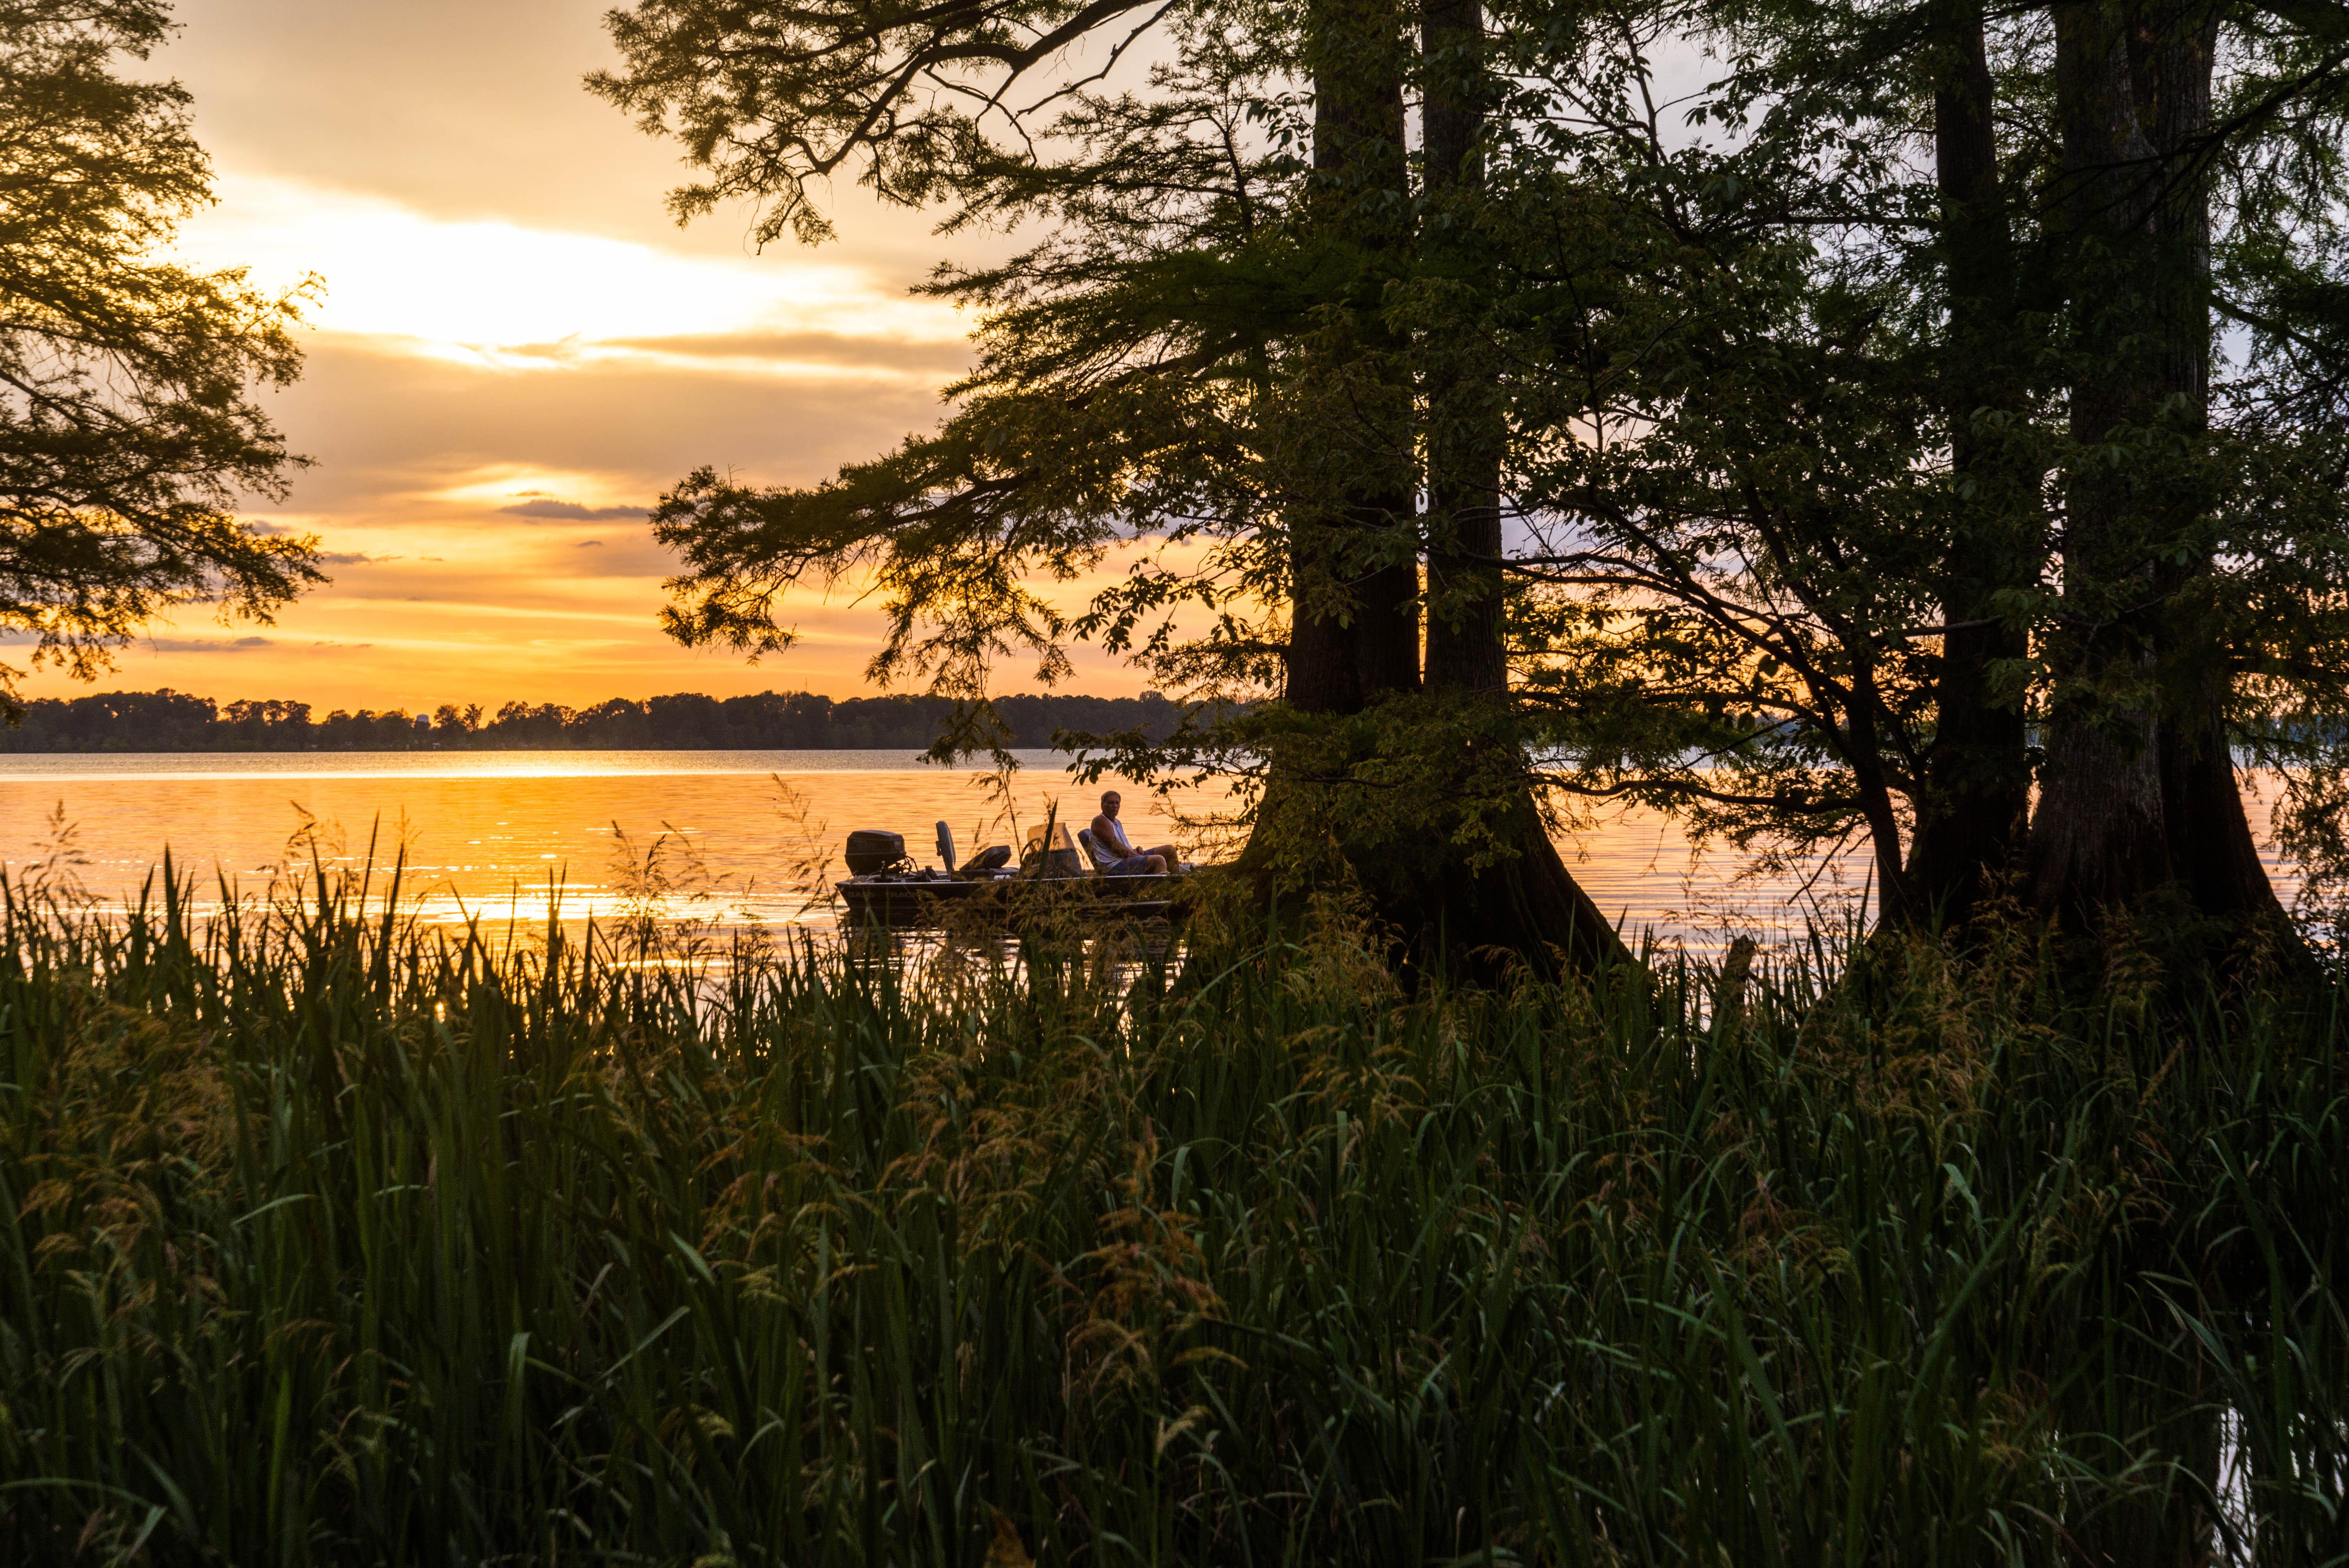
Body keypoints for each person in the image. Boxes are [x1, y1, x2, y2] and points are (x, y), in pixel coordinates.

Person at [1090, 790, 1176, 875]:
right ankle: (1161, 887)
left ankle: (1176, 884)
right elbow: (1117, 849)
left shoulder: (1117, 822)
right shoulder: (1100, 821)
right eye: (1111, 803)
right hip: (1115, 865)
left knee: (1170, 850)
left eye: (1117, 803)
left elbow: (1121, 847)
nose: (1115, 806)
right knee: (1159, 860)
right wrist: (1140, 858)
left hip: (1124, 859)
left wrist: (1134, 850)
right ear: (1102, 805)